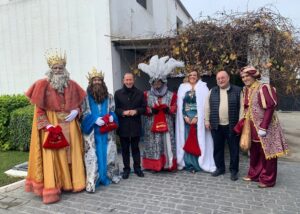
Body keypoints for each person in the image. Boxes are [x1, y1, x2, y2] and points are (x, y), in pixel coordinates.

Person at [25, 51, 86, 204]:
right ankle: (55, 187)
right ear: (50, 69)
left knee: (72, 154)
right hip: (53, 125)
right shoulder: (41, 85)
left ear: (64, 68)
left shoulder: (72, 85)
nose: (57, 70)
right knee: (54, 157)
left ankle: (71, 183)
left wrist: (76, 111)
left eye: (60, 67)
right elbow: (39, 110)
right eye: (55, 68)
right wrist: (47, 125)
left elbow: (80, 105)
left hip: (70, 125)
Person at [236, 65, 288, 188]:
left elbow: (270, 108)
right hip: (252, 126)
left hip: (267, 127)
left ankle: (267, 179)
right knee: (254, 151)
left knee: (268, 153)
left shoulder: (263, 87)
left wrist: (263, 127)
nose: (244, 79)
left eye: (247, 76)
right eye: (243, 77)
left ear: (254, 75)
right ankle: (254, 174)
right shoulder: (245, 89)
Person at [138, 55, 184, 172]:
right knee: (154, 145)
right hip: (151, 125)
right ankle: (154, 166)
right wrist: (150, 110)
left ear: (163, 82)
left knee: (166, 144)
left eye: (159, 82)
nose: (157, 85)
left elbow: (175, 107)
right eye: (155, 83)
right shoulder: (146, 94)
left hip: (166, 125)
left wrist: (169, 110)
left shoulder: (171, 94)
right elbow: (143, 108)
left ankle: (167, 164)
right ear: (151, 83)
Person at [81, 68, 121, 193]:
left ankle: (109, 175)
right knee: (93, 155)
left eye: (99, 80)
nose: (97, 82)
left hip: (107, 132)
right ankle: (94, 179)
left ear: (102, 82)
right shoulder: (85, 97)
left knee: (108, 153)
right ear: (91, 82)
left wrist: (111, 117)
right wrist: (94, 119)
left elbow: (113, 111)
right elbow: (83, 113)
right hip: (93, 133)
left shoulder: (109, 97)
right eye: (95, 80)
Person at [176, 70, 216, 173]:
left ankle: (198, 163)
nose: (192, 76)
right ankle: (189, 164)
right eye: (190, 75)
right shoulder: (182, 87)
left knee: (198, 141)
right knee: (187, 141)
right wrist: (185, 117)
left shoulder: (203, 87)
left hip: (198, 120)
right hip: (186, 120)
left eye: (195, 75)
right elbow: (180, 105)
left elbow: (206, 105)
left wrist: (197, 117)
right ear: (188, 76)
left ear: (197, 76)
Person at [205, 70, 242, 181]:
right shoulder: (212, 91)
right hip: (216, 125)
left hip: (232, 125)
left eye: (223, 78)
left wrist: (240, 123)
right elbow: (207, 107)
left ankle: (234, 171)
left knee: (234, 149)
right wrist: (207, 120)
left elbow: (242, 109)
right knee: (218, 148)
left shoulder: (238, 90)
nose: (220, 80)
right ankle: (220, 168)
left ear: (228, 78)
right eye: (218, 78)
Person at [114, 72, 146, 179]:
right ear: (123, 81)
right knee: (125, 149)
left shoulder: (140, 93)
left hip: (135, 124)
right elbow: (116, 109)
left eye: (130, 80)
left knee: (136, 148)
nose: (128, 82)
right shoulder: (118, 93)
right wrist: (123, 112)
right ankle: (126, 169)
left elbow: (144, 108)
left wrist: (136, 111)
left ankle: (137, 168)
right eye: (126, 80)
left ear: (133, 80)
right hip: (123, 125)